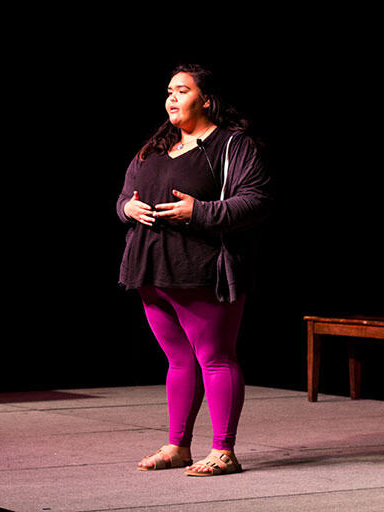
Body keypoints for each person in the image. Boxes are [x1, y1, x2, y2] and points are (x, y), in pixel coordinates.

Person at [116, 63, 272, 476]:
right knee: (178, 361)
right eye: (168, 90)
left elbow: (254, 200)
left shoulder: (231, 145)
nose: (171, 97)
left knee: (215, 359)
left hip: (202, 270)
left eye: (182, 90)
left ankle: (224, 450)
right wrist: (126, 208)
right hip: (151, 268)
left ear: (206, 99)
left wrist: (198, 211)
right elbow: (123, 196)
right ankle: (178, 445)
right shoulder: (156, 144)